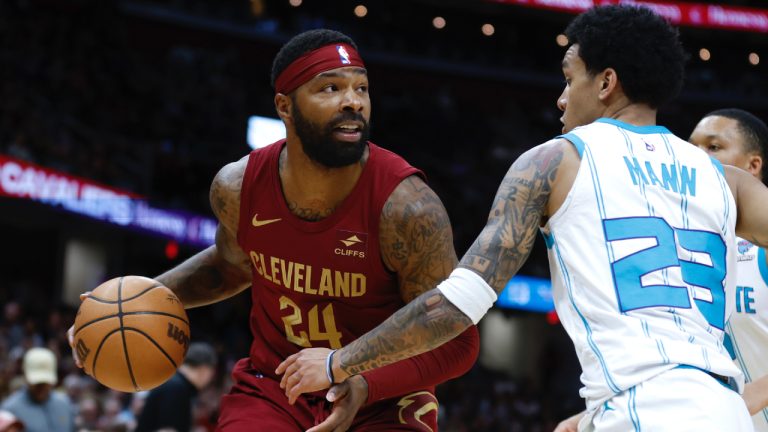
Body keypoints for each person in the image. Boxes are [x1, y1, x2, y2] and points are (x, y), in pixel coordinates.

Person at [277, 6, 768, 431]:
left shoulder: (555, 161)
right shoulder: (725, 179)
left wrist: (340, 361)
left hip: (644, 406)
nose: (560, 97)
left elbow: (455, 305)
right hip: (726, 408)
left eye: (569, 77)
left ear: (606, 83)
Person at [69, 28, 479, 431]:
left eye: (362, 88)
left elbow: (459, 340)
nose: (353, 102)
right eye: (330, 89)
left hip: (385, 396)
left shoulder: (408, 209)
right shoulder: (237, 187)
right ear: (285, 106)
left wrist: (362, 380)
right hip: (276, 389)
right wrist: (120, 307)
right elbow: (230, 268)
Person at [690, 108, 768, 431]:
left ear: (752, 167)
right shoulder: (685, 250)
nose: (696, 158)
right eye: (690, 148)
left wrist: (751, 396)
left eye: (713, 147)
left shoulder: (761, 250)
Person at [136, 342, 218, 432]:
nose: (210, 379)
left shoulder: (176, 383)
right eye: (212, 374)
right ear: (204, 370)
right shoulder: (176, 388)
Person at [1, 348, 75, 432]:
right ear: (25, 376)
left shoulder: (65, 404)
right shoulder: (10, 410)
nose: (41, 387)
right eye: (36, 383)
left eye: (45, 382)